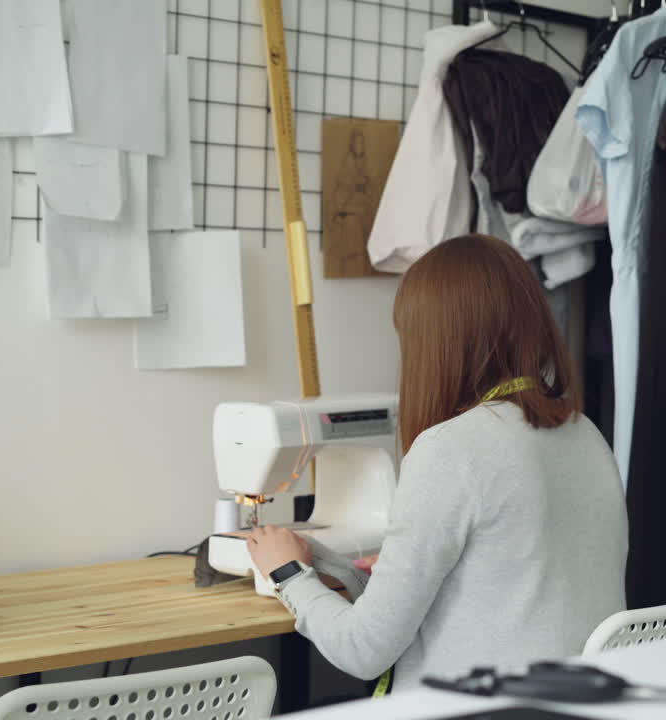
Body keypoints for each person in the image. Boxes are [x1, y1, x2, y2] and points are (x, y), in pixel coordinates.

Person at [248, 234, 628, 692]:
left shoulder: (450, 450)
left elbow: (362, 650)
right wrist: (340, 566)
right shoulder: (583, 432)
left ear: (432, 343)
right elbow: (514, 576)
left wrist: (287, 573)